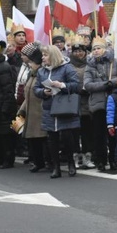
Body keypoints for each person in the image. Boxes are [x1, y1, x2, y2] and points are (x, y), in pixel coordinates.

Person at [34, 45, 81, 178]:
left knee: (67, 137)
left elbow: (76, 86)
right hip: (49, 107)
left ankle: (71, 163)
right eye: (43, 55)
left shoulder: (67, 68)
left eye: (45, 55)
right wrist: (44, 92)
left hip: (64, 107)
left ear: (53, 56)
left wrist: (61, 85)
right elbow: (36, 88)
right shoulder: (41, 71)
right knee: (51, 139)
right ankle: (56, 167)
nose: (42, 57)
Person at [84, 36, 117, 171]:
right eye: (94, 49)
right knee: (99, 134)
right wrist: (104, 85)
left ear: (105, 49)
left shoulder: (115, 62)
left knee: (113, 134)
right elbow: (88, 85)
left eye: (99, 48)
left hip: (113, 102)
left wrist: (111, 83)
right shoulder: (90, 65)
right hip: (98, 104)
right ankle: (100, 160)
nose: (96, 51)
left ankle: (114, 159)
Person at [17, 43, 49, 172]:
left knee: (43, 139)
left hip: (40, 112)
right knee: (32, 140)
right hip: (30, 112)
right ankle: (37, 161)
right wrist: (22, 110)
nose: (30, 65)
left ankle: (46, 161)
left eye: (32, 63)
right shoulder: (31, 75)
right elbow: (27, 94)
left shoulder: (43, 75)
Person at [69, 37, 94, 169]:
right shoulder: (68, 65)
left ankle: (87, 156)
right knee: (74, 132)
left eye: (81, 51)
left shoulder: (90, 64)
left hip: (87, 102)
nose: (79, 53)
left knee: (87, 132)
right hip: (73, 102)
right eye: (76, 51)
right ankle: (74, 156)